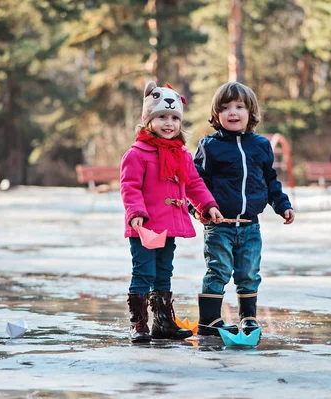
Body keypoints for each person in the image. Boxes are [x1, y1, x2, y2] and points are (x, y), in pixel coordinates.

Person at [120, 81, 224, 343]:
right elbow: (129, 186)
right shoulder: (137, 154)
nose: (169, 123)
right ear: (148, 121)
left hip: (168, 226)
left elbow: (194, 184)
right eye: (162, 117)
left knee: (164, 271)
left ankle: (163, 322)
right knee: (144, 271)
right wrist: (136, 212)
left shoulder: (182, 155)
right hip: (144, 227)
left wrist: (208, 205)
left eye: (174, 118)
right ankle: (139, 323)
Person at [192, 82, 295, 337]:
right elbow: (195, 182)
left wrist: (282, 205)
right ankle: (209, 320)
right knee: (218, 269)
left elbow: (270, 181)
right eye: (225, 108)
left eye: (239, 107)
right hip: (219, 225)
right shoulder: (210, 146)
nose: (232, 112)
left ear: (251, 113)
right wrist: (198, 209)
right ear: (217, 115)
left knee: (249, 272)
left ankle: (248, 317)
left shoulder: (260, 145)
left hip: (250, 225)